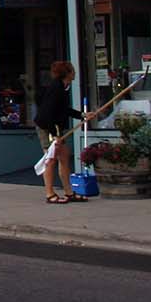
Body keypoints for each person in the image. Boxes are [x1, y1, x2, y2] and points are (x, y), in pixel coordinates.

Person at [35, 60, 97, 204]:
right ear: (67, 73)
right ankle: (50, 194)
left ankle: (69, 193)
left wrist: (82, 115)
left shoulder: (63, 88)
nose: (74, 73)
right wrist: (54, 135)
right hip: (47, 127)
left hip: (55, 127)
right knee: (50, 160)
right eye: (72, 70)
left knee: (64, 157)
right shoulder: (56, 88)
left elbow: (64, 110)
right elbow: (47, 112)